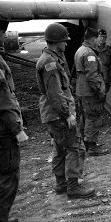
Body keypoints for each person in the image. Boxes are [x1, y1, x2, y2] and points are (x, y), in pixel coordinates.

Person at [36, 23, 95, 199]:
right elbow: (55, 93)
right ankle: (73, 186)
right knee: (75, 147)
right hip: (58, 113)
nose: (67, 44)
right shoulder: (49, 63)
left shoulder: (52, 58)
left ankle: (61, 184)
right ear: (56, 42)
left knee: (60, 148)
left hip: (52, 114)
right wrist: (67, 114)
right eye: (64, 41)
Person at [0, 12, 29, 222]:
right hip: (0, 132)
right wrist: (17, 129)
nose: (4, 37)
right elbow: (3, 99)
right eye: (2, 32)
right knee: (7, 177)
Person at [74, 27, 109, 156]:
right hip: (90, 92)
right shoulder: (89, 54)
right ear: (92, 39)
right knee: (94, 117)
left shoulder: (80, 50)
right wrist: (100, 91)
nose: (98, 42)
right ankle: (92, 147)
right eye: (97, 39)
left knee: (85, 117)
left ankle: (85, 144)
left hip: (82, 91)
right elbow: (92, 76)